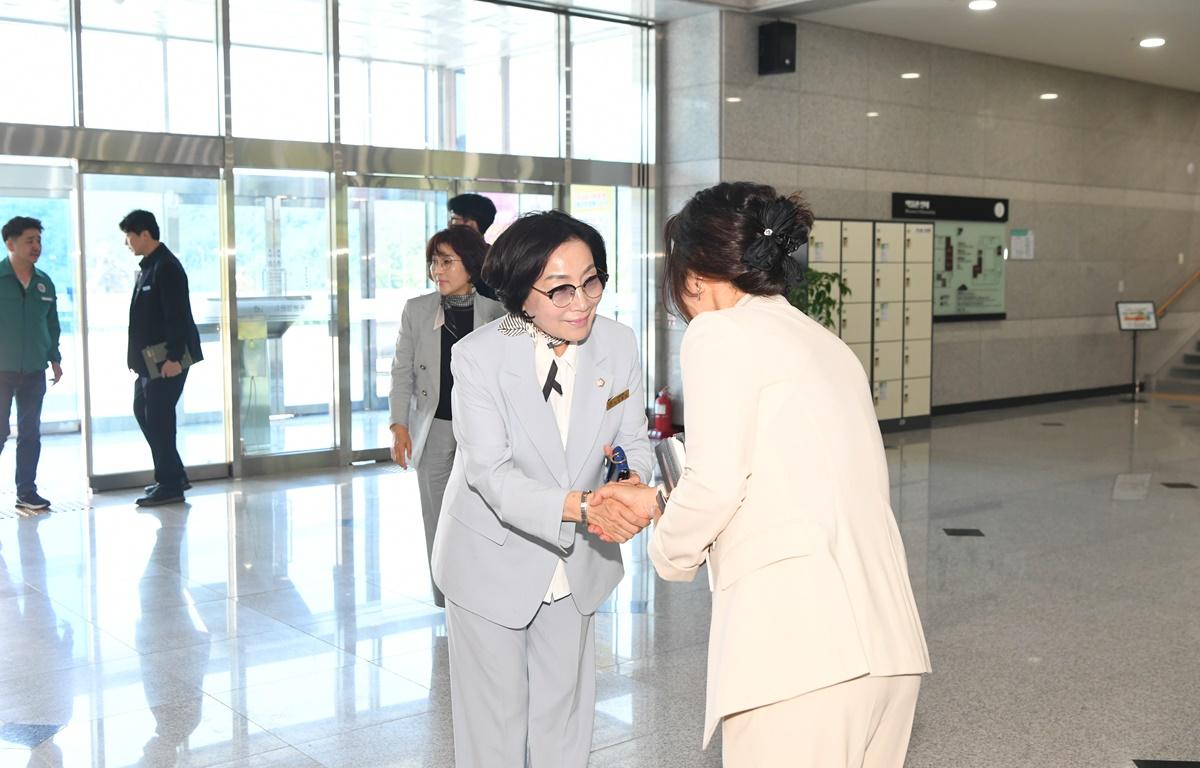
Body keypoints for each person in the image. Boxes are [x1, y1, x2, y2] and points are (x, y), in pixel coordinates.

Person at [592, 182, 931, 767]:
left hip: (800, 650)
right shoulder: (823, 341)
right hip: (888, 643)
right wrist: (662, 500)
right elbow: (784, 480)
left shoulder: (720, 332)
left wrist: (669, 553)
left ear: (694, 275)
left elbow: (719, 483)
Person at [430, 210, 653, 768]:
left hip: (578, 558)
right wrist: (583, 506)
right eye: (560, 289)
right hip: (489, 558)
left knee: (566, 719)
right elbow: (490, 474)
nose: (582, 302)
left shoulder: (619, 345)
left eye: (592, 281)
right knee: (494, 730)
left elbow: (634, 441)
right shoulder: (479, 356)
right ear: (520, 294)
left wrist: (628, 484)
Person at [388, 226, 505, 608]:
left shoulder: (496, 313)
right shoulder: (417, 310)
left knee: (485, 509)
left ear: (471, 266)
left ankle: (482, 587)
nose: (437, 270)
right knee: (436, 515)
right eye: (434, 262)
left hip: (483, 429)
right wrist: (399, 426)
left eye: (446, 261)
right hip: (435, 427)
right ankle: (446, 595)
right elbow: (401, 370)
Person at [121, 210, 203, 507]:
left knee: (158, 416)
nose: (126, 242)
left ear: (145, 234)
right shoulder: (149, 266)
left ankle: (170, 483)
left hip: (168, 357)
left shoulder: (166, 267)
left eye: (129, 236)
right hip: (149, 359)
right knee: (144, 409)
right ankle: (173, 473)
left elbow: (177, 315)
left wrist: (173, 358)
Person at [0, 216, 62, 512]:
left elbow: (51, 324)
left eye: (39, 240)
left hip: (35, 370)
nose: (36, 246)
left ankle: (26, 491)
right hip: (1, 370)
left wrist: (55, 358)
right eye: (30, 240)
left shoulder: (44, 282)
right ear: (10, 243)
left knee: (30, 433)